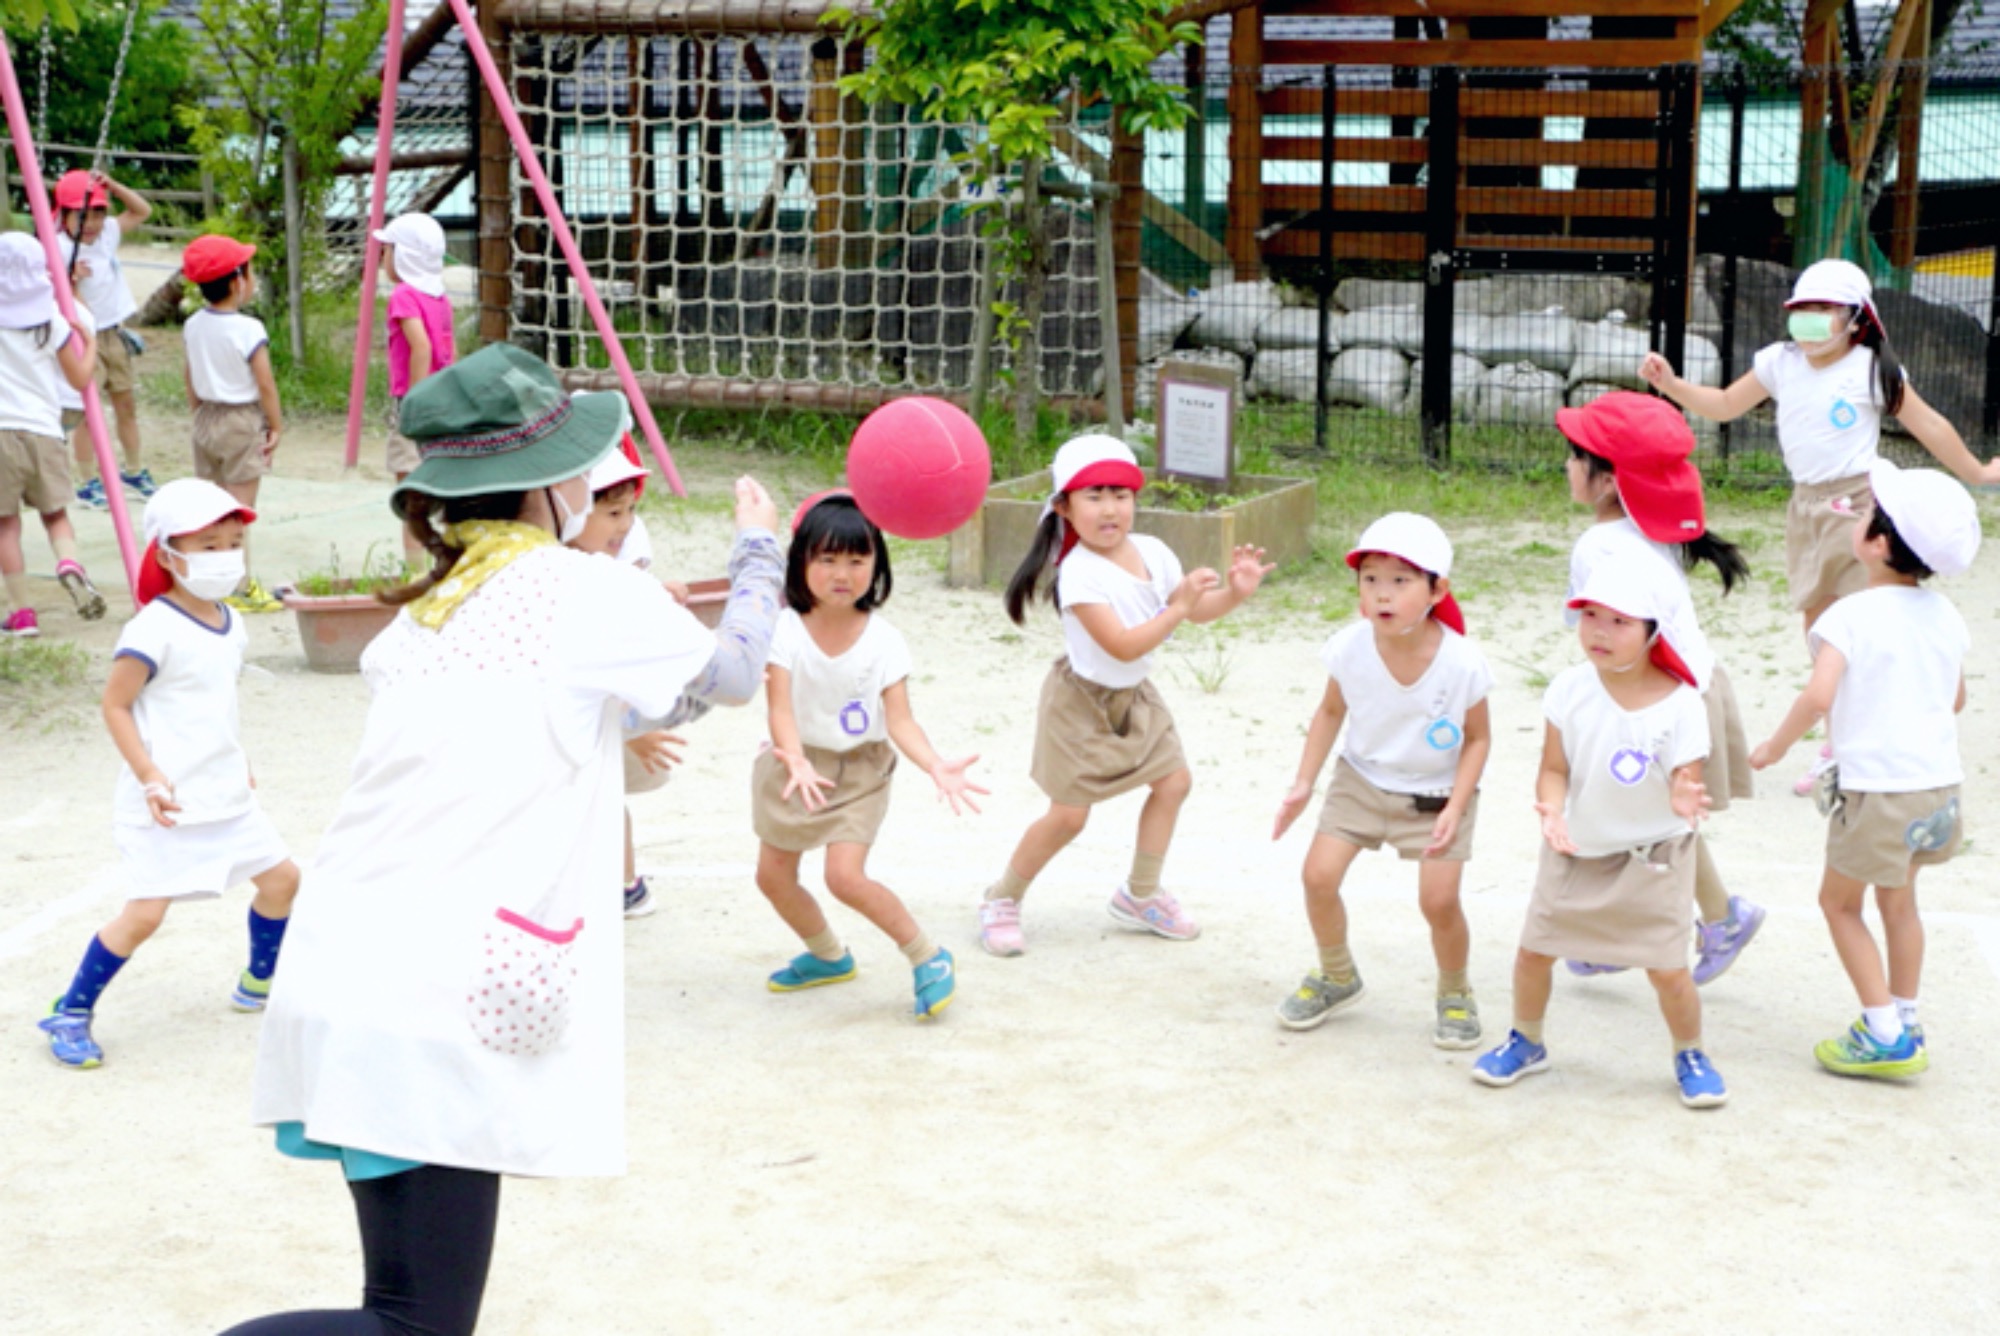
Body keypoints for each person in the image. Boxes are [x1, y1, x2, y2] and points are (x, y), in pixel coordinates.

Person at [231, 343, 783, 1335]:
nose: (589, 482)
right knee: (416, 1325)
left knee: (401, 1308)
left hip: (357, 969)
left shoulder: (419, 621)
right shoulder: (584, 595)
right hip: (426, 1002)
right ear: (543, 484)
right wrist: (756, 549)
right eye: (578, 464)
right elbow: (733, 672)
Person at [1639, 258, 1999, 794]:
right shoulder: (1779, 362)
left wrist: (1977, 471)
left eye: (1824, 310)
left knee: (1865, 630)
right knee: (1821, 634)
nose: (1809, 321)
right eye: (1801, 309)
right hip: (1806, 510)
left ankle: (1859, 744)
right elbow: (1722, 406)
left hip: (1859, 506)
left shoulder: (1872, 369)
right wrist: (1671, 384)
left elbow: (1927, 423)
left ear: (1856, 320)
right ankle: (1840, 741)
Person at [36, 479, 302, 1069]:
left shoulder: (232, 621)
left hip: (226, 793)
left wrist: (240, 761)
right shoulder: (151, 628)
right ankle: (72, 1010)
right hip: (165, 802)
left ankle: (261, 981)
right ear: (167, 555)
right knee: (145, 916)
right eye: (208, 545)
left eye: (233, 542)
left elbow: (211, 702)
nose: (225, 555)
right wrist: (150, 774)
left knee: (283, 881)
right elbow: (115, 704)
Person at [979, 434, 1272, 955]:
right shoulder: (1078, 575)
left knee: (1174, 782)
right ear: (1065, 508)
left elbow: (1194, 610)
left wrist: (1235, 593)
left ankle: (1140, 893)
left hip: (1134, 696)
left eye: (1121, 494)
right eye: (1094, 496)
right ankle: (1002, 897)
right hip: (1080, 704)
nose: (1110, 508)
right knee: (1069, 816)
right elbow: (1120, 645)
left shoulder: (1153, 553)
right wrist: (1178, 608)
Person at [1749, 459, 1976, 1080]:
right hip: (1936, 788)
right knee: (1900, 905)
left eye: (1871, 516)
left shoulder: (1846, 616)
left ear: (1875, 542)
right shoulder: (1946, 616)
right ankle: (1905, 1014)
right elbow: (1954, 699)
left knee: (1839, 904)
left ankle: (1883, 1033)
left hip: (1878, 792)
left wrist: (1772, 748)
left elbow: (1819, 696)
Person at [1473, 560, 1728, 1110]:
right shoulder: (1568, 689)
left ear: (1652, 631)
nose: (1599, 632)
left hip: (1653, 855)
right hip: (1576, 848)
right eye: (1590, 615)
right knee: (1533, 954)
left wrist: (1684, 793)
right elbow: (1554, 767)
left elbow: (1689, 777)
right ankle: (1527, 1039)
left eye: (1619, 621)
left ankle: (1690, 1053)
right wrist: (1552, 809)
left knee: (1668, 970)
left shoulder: (1683, 702)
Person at [1555, 391, 1763, 985]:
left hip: (1655, 699)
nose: (1567, 466)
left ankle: (1708, 919)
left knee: (1643, 820)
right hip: (1689, 687)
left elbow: (1598, 632)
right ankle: (1647, 928)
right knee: (1647, 819)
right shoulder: (1655, 526)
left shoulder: (1598, 545)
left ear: (1607, 480)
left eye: (1577, 456)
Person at [753, 490, 981, 1019]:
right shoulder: (784, 630)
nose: (843, 572)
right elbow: (780, 709)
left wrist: (935, 764)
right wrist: (795, 757)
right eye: (827, 558)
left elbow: (899, 719)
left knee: (844, 877)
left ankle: (928, 955)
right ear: (801, 562)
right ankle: (829, 955)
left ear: (877, 565)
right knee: (772, 877)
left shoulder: (885, 641)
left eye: (858, 560)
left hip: (859, 770)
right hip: (793, 766)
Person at [1270, 513, 1493, 1049]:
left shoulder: (1461, 661)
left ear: (1438, 589)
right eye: (1370, 579)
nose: (1382, 595)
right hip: (1361, 780)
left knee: (1439, 903)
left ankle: (1455, 991)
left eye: (1400, 580)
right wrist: (1304, 782)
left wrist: (1455, 809)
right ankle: (1337, 975)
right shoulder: (1349, 646)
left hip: (1435, 794)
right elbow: (1329, 712)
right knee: (1317, 877)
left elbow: (1479, 739)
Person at [563, 440, 688, 918]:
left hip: (604, 717)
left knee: (600, 797)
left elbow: (623, 659)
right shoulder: (560, 568)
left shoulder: (598, 572)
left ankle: (625, 886)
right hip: (582, 717)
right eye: (612, 512)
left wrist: (632, 730)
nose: (625, 524)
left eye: (628, 511)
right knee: (587, 797)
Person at [0, 231, 103, 636]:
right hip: (44, 428)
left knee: (6, 525)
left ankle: (22, 612)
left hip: (0, 432)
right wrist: (90, 343)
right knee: (55, 514)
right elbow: (79, 377)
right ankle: (69, 562)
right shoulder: (52, 321)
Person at [181, 234, 284, 613]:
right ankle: (238, 587)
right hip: (241, 419)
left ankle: (209, 584)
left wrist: (198, 410)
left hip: (206, 416)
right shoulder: (248, 329)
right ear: (238, 281)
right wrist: (276, 425)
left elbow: (189, 374)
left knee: (210, 506)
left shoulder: (193, 324)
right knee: (239, 510)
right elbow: (265, 383)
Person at [52, 168, 155, 506]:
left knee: (125, 404)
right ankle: (87, 481)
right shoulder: (59, 248)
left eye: (98, 212)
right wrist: (71, 282)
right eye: (82, 215)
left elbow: (142, 211)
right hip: (85, 338)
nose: (92, 222)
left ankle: (134, 470)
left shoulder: (108, 233)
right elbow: (58, 298)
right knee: (87, 413)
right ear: (64, 215)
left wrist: (113, 185)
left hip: (114, 333)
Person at [373, 212, 456, 563]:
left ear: (404, 256)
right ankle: (443, 556)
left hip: (415, 399)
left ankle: (415, 567)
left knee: (410, 488)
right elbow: (448, 349)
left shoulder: (404, 296)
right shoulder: (440, 297)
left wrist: (414, 402)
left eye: (388, 249)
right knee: (437, 478)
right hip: (443, 397)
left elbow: (420, 347)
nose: (382, 257)